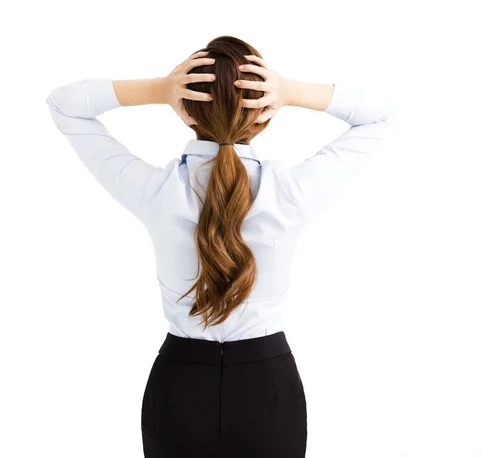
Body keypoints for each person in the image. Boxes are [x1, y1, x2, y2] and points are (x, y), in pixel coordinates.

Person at [46, 35, 391, 458]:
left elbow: (65, 104)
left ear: (186, 110)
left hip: (179, 389)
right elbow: (378, 117)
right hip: (268, 390)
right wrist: (288, 90)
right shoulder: (290, 193)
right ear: (264, 113)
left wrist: (159, 89)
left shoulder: (157, 191)